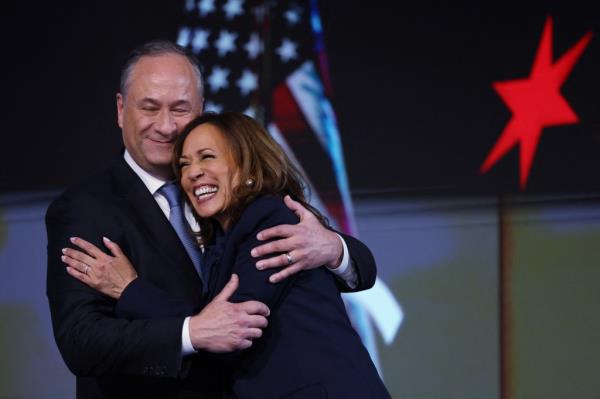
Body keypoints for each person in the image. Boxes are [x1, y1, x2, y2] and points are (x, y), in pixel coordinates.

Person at [46, 40, 377, 398]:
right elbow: (81, 340)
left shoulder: (240, 204)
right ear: (121, 109)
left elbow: (233, 319)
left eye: (180, 108)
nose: (166, 125)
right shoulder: (84, 208)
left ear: (201, 109)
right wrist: (189, 333)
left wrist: (333, 248)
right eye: (150, 107)